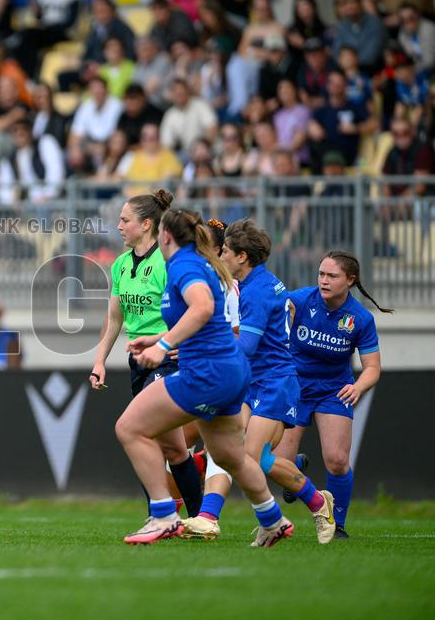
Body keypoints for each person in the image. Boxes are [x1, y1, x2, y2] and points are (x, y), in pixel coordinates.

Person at [112, 208, 293, 547]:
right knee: (228, 456)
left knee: (129, 428)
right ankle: (273, 520)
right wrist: (156, 338)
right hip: (229, 371)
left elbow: (202, 308)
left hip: (207, 372)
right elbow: (206, 320)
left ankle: (164, 515)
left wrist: (163, 346)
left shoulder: (184, 265)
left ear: (165, 236)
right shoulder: (198, 263)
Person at [181, 220, 337, 544]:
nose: (220, 255)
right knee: (247, 456)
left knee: (246, 458)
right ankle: (315, 502)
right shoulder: (257, 283)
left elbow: (247, 347)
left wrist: (202, 349)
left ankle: (271, 520)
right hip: (252, 381)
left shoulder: (256, 291)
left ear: (242, 256)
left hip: (275, 383)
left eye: (225, 250)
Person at [89, 190, 205, 520]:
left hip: (166, 360)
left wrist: (176, 343)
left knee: (140, 432)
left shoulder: (167, 264)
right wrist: (99, 361)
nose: (119, 226)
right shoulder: (121, 264)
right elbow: (114, 318)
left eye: (124, 220)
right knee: (174, 449)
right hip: (138, 362)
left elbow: (194, 309)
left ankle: (162, 515)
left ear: (146, 224)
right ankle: (199, 519)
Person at [276, 251, 392, 539]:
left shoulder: (360, 318)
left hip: (333, 390)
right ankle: (296, 469)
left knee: (338, 460)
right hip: (295, 387)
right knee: (276, 462)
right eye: (321, 274)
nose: (324, 281)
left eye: (332, 276)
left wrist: (358, 387)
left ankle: (336, 524)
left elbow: (372, 368)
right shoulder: (300, 300)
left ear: (350, 280)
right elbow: (271, 316)